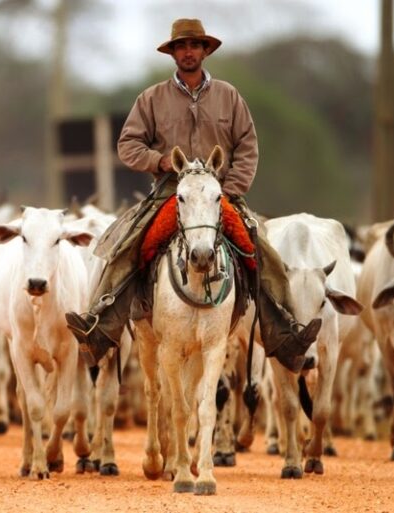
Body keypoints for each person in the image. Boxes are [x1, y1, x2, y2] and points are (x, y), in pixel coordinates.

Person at [66, 18, 321, 374]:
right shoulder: (152, 98)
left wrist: (229, 188)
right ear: (173, 53)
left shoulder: (229, 96)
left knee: (262, 252)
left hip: (221, 194)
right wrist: (158, 160)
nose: (188, 52)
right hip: (171, 192)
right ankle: (98, 329)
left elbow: (248, 146)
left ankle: (287, 335)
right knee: (126, 245)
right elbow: (127, 145)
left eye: (194, 46)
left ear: (205, 51)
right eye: (181, 46)